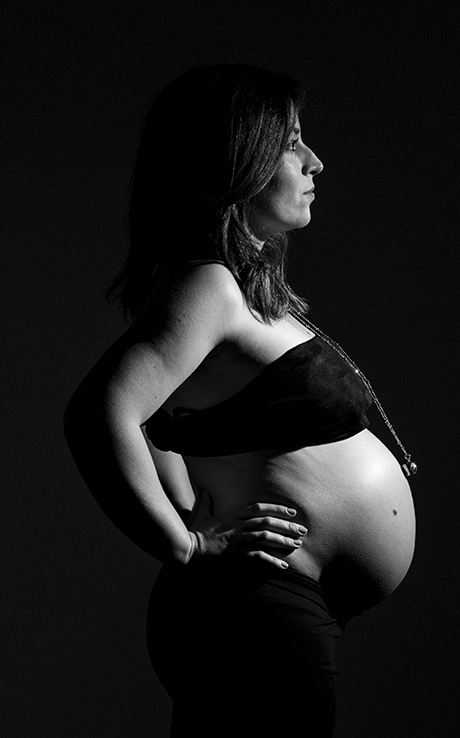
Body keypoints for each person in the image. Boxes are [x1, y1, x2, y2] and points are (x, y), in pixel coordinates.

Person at [63, 63, 417, 737]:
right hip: (256, 614)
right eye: (291, 143)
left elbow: (164, 431)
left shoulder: (243, 292)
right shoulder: (209, 286)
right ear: (236, 158)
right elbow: (99, 413)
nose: (315, 161)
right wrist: (189, 546)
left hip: (273, 610)